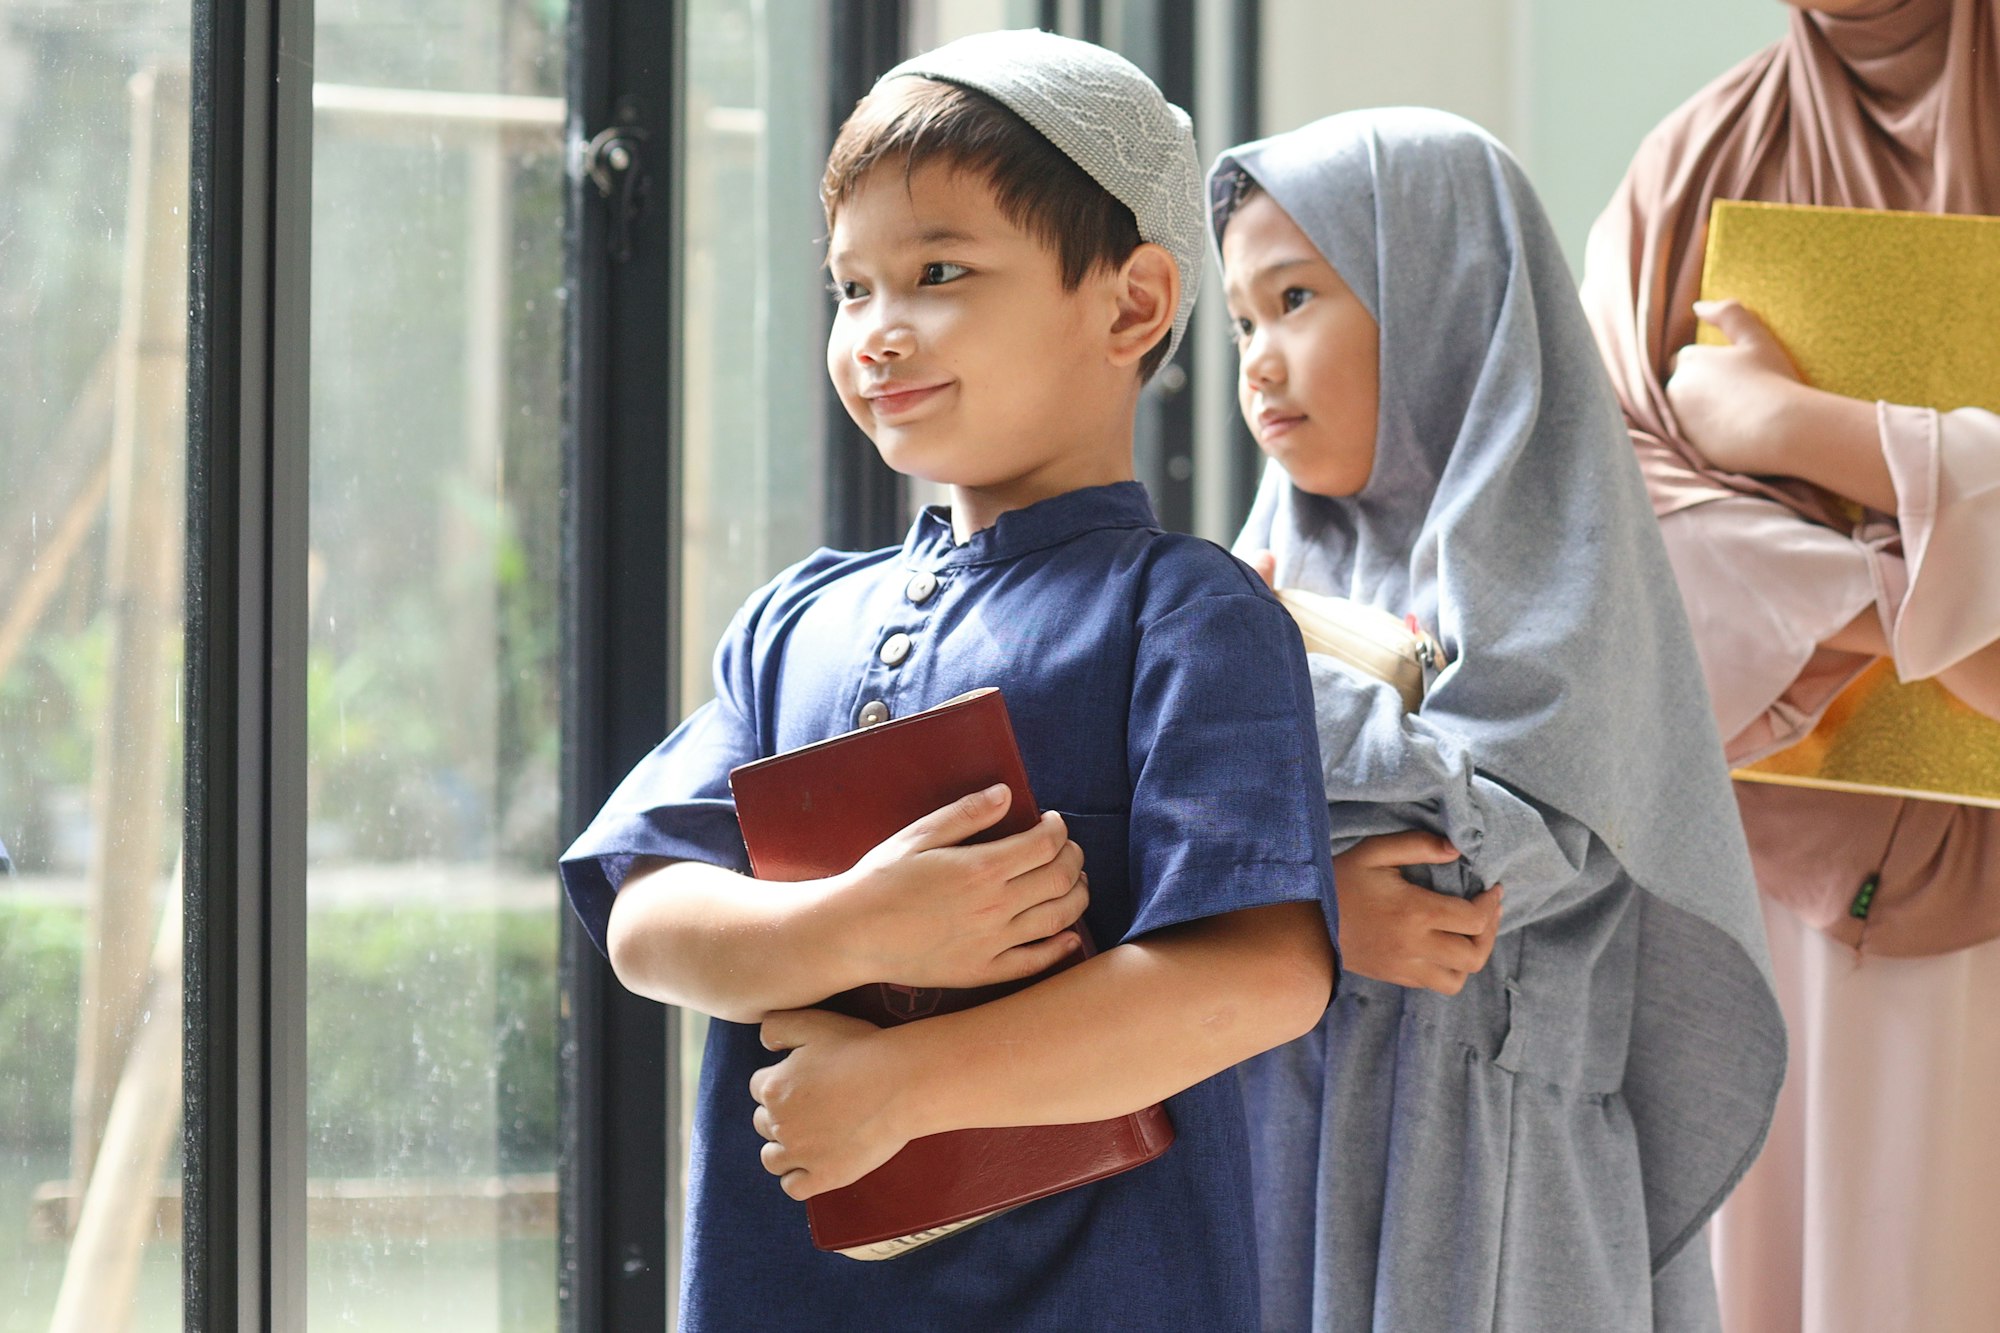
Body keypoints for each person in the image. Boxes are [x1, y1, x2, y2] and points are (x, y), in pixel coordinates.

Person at [560, 30, 1339, 1332]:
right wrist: (854, 929)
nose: (876, 331)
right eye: (850, 288)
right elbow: (641, 912)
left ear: (1133, 305)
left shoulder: (1187, 616)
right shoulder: (792, 620)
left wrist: (907, 1084)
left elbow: (1258, 974)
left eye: (937, 272)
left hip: (1103, 1294)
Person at [1210, 108, 1785, 1332]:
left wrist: (1241, 683)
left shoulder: (1562, 569)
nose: (1256, 359)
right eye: (1240, 320)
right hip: (1268, 1141)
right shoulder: (1259, 567)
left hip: (1481, 1192)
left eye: (1298, 298)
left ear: (1443, 295)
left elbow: (1482, 845)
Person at [1579, 2, 2000, 1328]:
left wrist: (1790, 428)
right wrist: (1934, 592)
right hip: (1773, 902)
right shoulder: (1692, 168)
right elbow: (1619, 550)